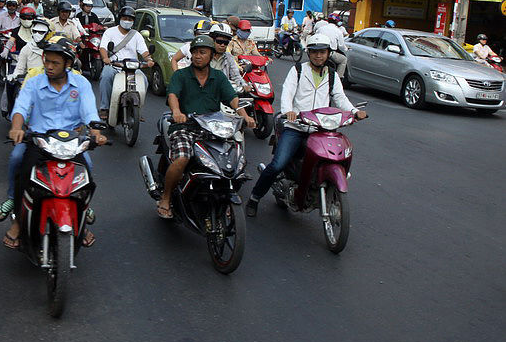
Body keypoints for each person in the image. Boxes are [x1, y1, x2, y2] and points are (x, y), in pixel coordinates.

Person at [245, 34, 367, 217]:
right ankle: (255, 197)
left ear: (328, 54)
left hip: (322, 129)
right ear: (308, 53)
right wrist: (288, 111)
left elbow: (340, 97)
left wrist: (354, 112)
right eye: (315, 52)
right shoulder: (298, 70)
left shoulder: (332, 75)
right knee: (278, 164)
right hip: (297, 127)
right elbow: (287, 92)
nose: (318, 56)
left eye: (322, 52)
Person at [1, 38, 106, 248]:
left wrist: (96, 133)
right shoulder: (34, 82)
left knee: (87, 171)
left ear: (68, 64)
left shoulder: (81, 84)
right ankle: (19, 220)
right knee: (18, 162)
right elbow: (21, 108)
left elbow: (90, 113)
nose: (49, 66)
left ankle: (82, 219)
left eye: (55, 63)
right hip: (39, 140)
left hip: (72, 142)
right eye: (47, 61)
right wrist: (16, 128)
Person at [157, 36, 255, 219]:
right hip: (184, 127)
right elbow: (173, 95)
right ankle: (166, 197)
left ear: (211, 55)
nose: (197, 56)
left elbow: (233, 99)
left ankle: (224, 196)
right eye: (194, 52)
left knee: (232, 160)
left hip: (212, 127)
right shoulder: (181, 75)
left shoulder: (218, 77)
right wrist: (177, 112)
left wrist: (246, 117)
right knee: (182, 158)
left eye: (202, 52)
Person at [98, 6, 154, 118]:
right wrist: (105, 58)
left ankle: (138, 109)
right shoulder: (110, 32)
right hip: (114, 65)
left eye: (130, 19)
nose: (127, 21)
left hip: (133, 67)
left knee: (144, 81)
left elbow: (144, 51)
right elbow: (103, 48)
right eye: (125, 18)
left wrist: (149, 60)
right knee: (105, 76)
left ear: (133, 21)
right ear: (120, 18)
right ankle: (105, 108)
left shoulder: (137, 35)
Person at [209, 23, 247, 91]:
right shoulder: (204, 55)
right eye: (219, 41)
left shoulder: (228, 57)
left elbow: (236, 76)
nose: (222, 45)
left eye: (226, 42)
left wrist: (244, 85)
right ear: (211, 40)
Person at [0, 0, 20, 65]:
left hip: (17, 37)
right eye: (9, 5)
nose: (11, 7)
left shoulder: (20, 16)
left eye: (13, 6)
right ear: (7, 6)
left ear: (16, 7)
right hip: (4, 36)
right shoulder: (2, 15)